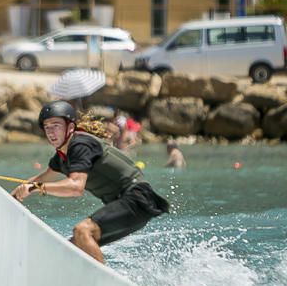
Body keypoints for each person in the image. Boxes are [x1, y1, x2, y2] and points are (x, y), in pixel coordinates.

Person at [12, 101, 169, 264]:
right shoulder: (61, 158)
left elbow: (75, 187)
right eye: (47, 127)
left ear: (70, 127)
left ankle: (103, 284)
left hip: (137, 198)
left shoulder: (80, 145)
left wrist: (35, 188)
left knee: (82, 230)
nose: (51, 132)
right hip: (124, 205)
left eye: (56, 125)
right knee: (71, 248)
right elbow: (38, 179)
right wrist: (12, 196)